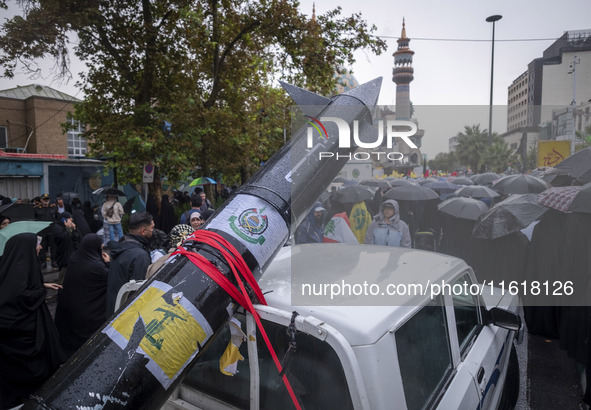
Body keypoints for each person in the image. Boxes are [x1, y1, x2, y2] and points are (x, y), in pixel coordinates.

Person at [0, 233, 65, 408]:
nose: (41, 247)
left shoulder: (16, 264)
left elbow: (19, 285)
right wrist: (40, 292)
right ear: (26, 247)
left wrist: (42, 285)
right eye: (37, 244)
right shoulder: (20, 266)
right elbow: (20, 295)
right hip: (22, 332)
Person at [54, 234, 110, 358]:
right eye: (100, 248)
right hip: (87, 314)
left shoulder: (74, 258)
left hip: (69, 310)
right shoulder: (96, 267)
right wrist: (108, 263)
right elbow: (110, 277)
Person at [105, 211, 154, 317]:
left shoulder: (122, 246)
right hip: (127, 316)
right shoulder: (140, 256)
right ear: (143, 231)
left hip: (113, 310)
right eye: (152, 228)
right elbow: (139, 292)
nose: (153, 231)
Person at [52, 212, 82, 285]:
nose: (71, 220)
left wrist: (74, 229)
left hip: (71, 254)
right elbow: (64, 238)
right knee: (64, 275)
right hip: (64, 255)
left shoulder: (69, 227)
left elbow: (78, 239)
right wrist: (68, 229)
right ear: (64, 220)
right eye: (69, 219)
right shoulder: (57, 228)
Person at [34, 193, 59, 268]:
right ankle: (43, 262)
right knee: (42, 248)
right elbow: (33, 220)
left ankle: (54, 261)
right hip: (41, 232)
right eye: (44, 199)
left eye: (47, 199)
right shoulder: (36, 209)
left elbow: (58, 218)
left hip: (52, 231)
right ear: (41, 200)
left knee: (53, 247)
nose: (46, 200)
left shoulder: (54, 208)